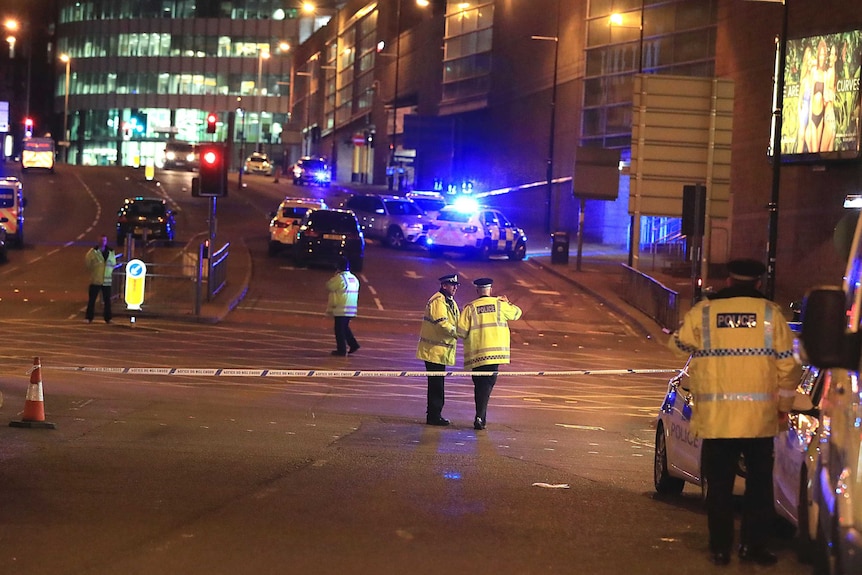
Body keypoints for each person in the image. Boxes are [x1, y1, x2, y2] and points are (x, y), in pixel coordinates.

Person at [666, 258, 800, 567]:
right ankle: (753, 546)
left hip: (717, 418)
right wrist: (784, 407)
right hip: (758, 419)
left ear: (728, 280)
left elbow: (677, 345)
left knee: (720, 486)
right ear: (757, 283)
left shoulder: (706, 312)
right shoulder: (771, 315)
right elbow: (789, 366)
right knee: (759, 487)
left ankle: (720, 548)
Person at [456, 277, 522, 430]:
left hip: (477, 354)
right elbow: (517, 313)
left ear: (477, 290)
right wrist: (508, 302)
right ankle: (480, 417)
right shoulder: (499, 305)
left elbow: (461, 332)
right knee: (487, 385)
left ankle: (480, 417)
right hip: (494, 354)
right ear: (490, 290)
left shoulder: (470, 308)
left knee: (480, 385)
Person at [416, 273, 461, 426]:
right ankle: (434, 416)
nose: (455, 288)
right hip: (433, 350)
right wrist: (459, 333)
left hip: (440, 351)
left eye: (456, 285)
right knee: (436, 385)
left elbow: (457, 321)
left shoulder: (450, 302)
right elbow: (442, 324)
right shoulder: (438, 301)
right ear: (444, 286)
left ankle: (435, 414)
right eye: (452, 285)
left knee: (438, 383)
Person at [325, 257, 360, 356]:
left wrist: (335, 275)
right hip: (351, 308)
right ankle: (353, 344)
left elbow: (329, 286)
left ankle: (341, 350)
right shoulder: (354, 278)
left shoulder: (340, 278)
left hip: (341, 308)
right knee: (344, 327)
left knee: (339, 330)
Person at [85, 234, 117, 323]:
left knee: (107, 301)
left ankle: (108, 318)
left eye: (104, 240)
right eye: (101, 240)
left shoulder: (111, 252)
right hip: (95, 279)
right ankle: (89, 317)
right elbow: (88, 263)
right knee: (92, 300)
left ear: (106, 241)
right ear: (98, 241)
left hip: (107, 281)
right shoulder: (93, 252)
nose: (102, 242)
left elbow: (113, 264)